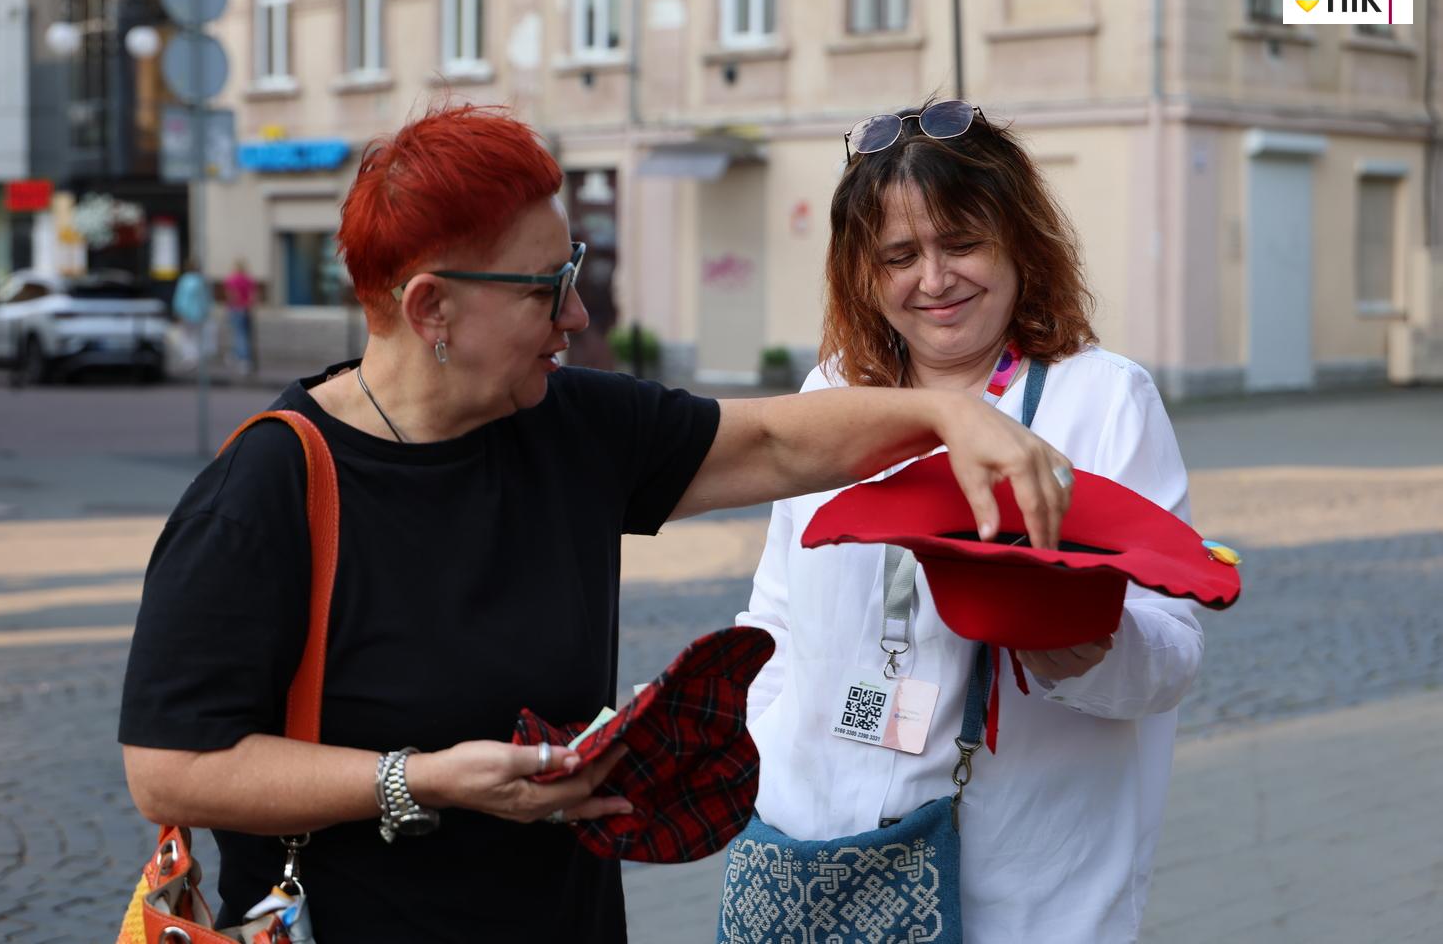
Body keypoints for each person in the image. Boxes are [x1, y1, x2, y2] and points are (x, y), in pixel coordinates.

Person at [117, 102, 1073, 943]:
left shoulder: (562, 421)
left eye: (570, 267)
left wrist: (946, 414)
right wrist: (423, 779)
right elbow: (171, 768)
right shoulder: (270, 487)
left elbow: (778, 444)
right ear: (430, 307)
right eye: (543, 287)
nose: (576, 311)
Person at [732, 99, 1203, 942]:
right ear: (863, 273)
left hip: (1021, 877)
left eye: (962, 244)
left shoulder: (1100, 399)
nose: (935, 279)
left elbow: (1172, 653)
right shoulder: (832, 396)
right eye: (900, 256)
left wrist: (1086, 648)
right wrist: (765, 760)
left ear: (1018, 240)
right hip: (815, 856)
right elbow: (775, 612)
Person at [224, 258, 257, 376]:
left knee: (239, 334)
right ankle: (237, 356)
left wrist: (232, 306)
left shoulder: (232, 279)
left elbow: (231, 294)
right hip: (246, 309)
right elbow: (253, 295)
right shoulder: (248, 279)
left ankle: (243, 359)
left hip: (236, 308)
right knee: (244, 334)